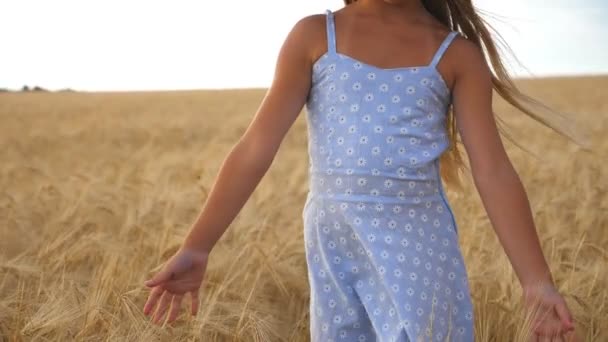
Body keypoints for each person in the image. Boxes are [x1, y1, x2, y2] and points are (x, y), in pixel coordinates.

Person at [142, 0, 583, 340]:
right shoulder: (315, 35)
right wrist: (198, 246)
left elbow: (493, 172)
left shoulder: (457, 55)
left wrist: (536, 283)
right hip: (334, 242)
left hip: (417, 243)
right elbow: (256, 146)